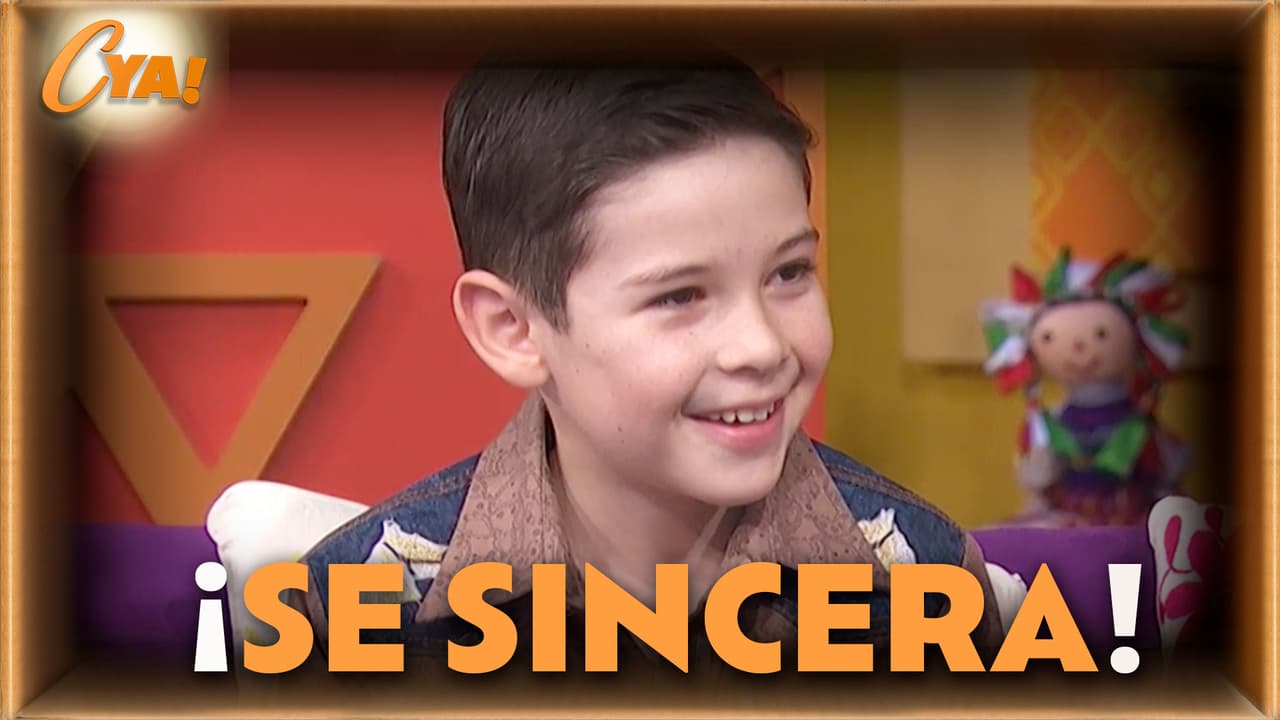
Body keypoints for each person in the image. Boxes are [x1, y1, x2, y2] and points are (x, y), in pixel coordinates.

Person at [296, 59, 1003, 673]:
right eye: (680, 296)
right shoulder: (351, 611)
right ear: (513, 329)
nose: (761, 346)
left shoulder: (922, 582)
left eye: (789, 272)